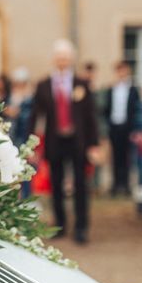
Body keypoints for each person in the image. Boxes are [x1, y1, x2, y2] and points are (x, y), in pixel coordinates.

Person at [28, 39, 100, 244]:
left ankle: (81, 227)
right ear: (54, 59)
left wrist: (94, 144)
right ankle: (60, 224)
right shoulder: (43, 85)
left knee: (80, 184)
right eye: (59, 57)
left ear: (71, 59)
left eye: (66, 57)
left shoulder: (81, 84)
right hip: (55, 140)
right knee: (56, 184)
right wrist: (32, 145)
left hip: (78, 141)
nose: (63, 61)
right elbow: (35, 116)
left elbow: (90, 116)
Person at [103, 61, 140, 196]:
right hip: (114, 126)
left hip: (127, 127)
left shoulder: (133, 89)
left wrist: (134, 128)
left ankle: (126, 185)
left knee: (126, 156)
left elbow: (135, 109)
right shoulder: (111, 89)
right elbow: (106, 108)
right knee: (115, 156)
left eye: (123, 70)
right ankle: (115, 185)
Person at [6, 68, 34, 198]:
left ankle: (26, 197)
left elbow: (30, 118)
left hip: (23, 136)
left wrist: (18, 112)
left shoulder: (29, 98)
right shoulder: (9, 96)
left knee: (24, 167)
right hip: (10, 136)